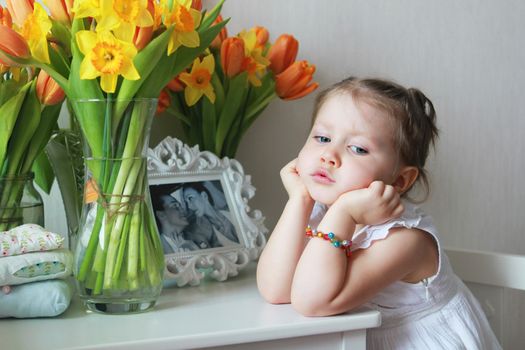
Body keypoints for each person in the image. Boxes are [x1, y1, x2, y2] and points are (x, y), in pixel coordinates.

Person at [256, 77, 501, 349]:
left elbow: (312, 302)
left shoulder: (405, 241)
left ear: (399, 181)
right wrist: (298, 200)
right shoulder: (322, 211)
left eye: (358, 149)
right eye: (322, 137)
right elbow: (276, 290)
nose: (328, 155)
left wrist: (345, 214)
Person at [183, 182, 239, 249]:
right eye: (186, 202)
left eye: (190, 198)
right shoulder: (208, 235)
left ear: (204, 196)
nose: (189, 206)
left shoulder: (232, 212)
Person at [150, 185, 198, 254]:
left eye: (180, 205)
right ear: (161, 215)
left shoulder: (195, 236)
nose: (182, 209)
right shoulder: (155, 249)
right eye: (175, 205)